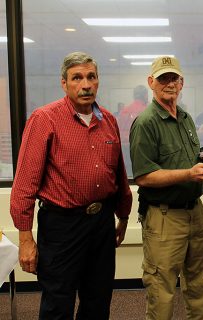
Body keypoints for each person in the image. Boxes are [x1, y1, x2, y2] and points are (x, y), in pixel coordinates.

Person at [10, 51, 133, 319]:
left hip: (101, 223)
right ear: (64, 83)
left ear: (98, 81)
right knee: (58, 302)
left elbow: (119, 175)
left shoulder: (108, 121)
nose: (85, 84)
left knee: (98, 300)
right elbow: (24, 183)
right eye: (77, 78)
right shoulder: (45, 119)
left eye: (91, 77)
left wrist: (123, 216)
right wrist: (25, 238)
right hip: (62, 226)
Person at [129, 56, 203, 320]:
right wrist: (190, 173)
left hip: (196, 213)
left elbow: (190, 162)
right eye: (163, 78)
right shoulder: (146, 122)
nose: (169, 84)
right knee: (162, 290)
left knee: (202, 284)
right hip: (164, 218)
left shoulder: (186, 118)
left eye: (174, 78)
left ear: (182, 83)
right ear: (151, 83)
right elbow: (144, 177)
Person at [117, 85, 149, 176]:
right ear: (145, 95)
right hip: (141, 149)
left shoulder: (124, 110)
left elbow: (118, 129)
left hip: (125, 147)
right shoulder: (147, 111)